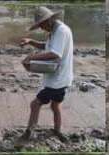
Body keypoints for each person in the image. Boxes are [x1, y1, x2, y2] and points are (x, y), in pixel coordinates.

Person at [20, 6, 74, 143]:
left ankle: (29, 132)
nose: (41, 28)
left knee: (35, 104)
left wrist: (32, 58)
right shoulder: (55, 30)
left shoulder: (61, 31)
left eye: (41, 25)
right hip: (61, 78)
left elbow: (55, 53)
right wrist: (31, 41)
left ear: (49, 20)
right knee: (55, 106)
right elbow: (47, 46)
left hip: (57, 80)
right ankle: (57, 131)